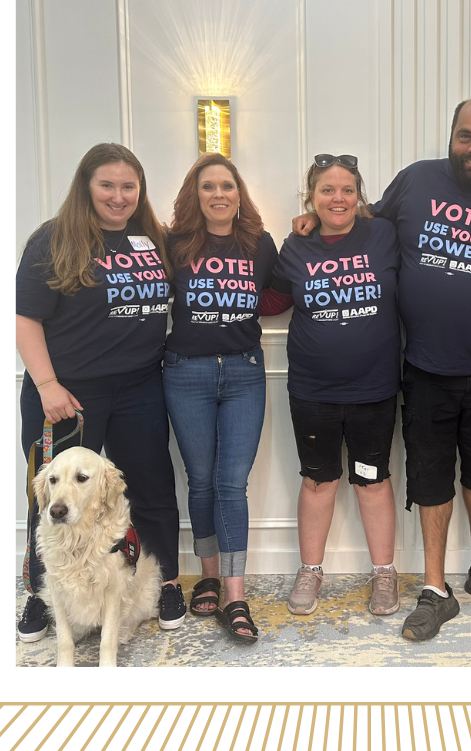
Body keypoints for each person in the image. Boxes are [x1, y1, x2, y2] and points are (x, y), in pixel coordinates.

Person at [294, 98, 471, 641]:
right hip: (423, 365)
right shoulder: (416, 182)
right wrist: (315, 216)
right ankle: (435, 588)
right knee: (431, 477)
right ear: (451, 136)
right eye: (464, 136)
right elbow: (361, 218)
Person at [16, 142, 185, 641]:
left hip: (139, 387)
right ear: (86, 186)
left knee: (153, 490)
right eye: (106, 185)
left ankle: (166, 582)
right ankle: (42, 595)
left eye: (128, 186)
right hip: (66, 393)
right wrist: (47, 385)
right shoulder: (53, 240)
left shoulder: (155, 237)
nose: (118, 196)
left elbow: (214, 247)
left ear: (141, 190)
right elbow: (25, 319)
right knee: (54, 499)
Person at [270, 155, 401, 617]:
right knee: (318, 481)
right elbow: (271, 298)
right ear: (312, 198)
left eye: (347, 190)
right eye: (327, 190)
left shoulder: (383, 234)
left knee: (372, 481)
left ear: (360, 196)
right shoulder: (295, 245)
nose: (338, 198)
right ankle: (311, 569)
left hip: (374, 388)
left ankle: (384, 573)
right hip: (313, 389)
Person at [163, 153, 279, 644]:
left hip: (244, 373)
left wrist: (312, 217)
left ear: (238, 194)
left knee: (232, 485)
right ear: (196, 194)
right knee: (202, 481)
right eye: (208, 186)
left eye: (227, 186)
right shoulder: (174, 244)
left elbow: (284, 287)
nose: (218, 194)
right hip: (185, 372)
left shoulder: (258, 242)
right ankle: (207, 573)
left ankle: (234, 594)